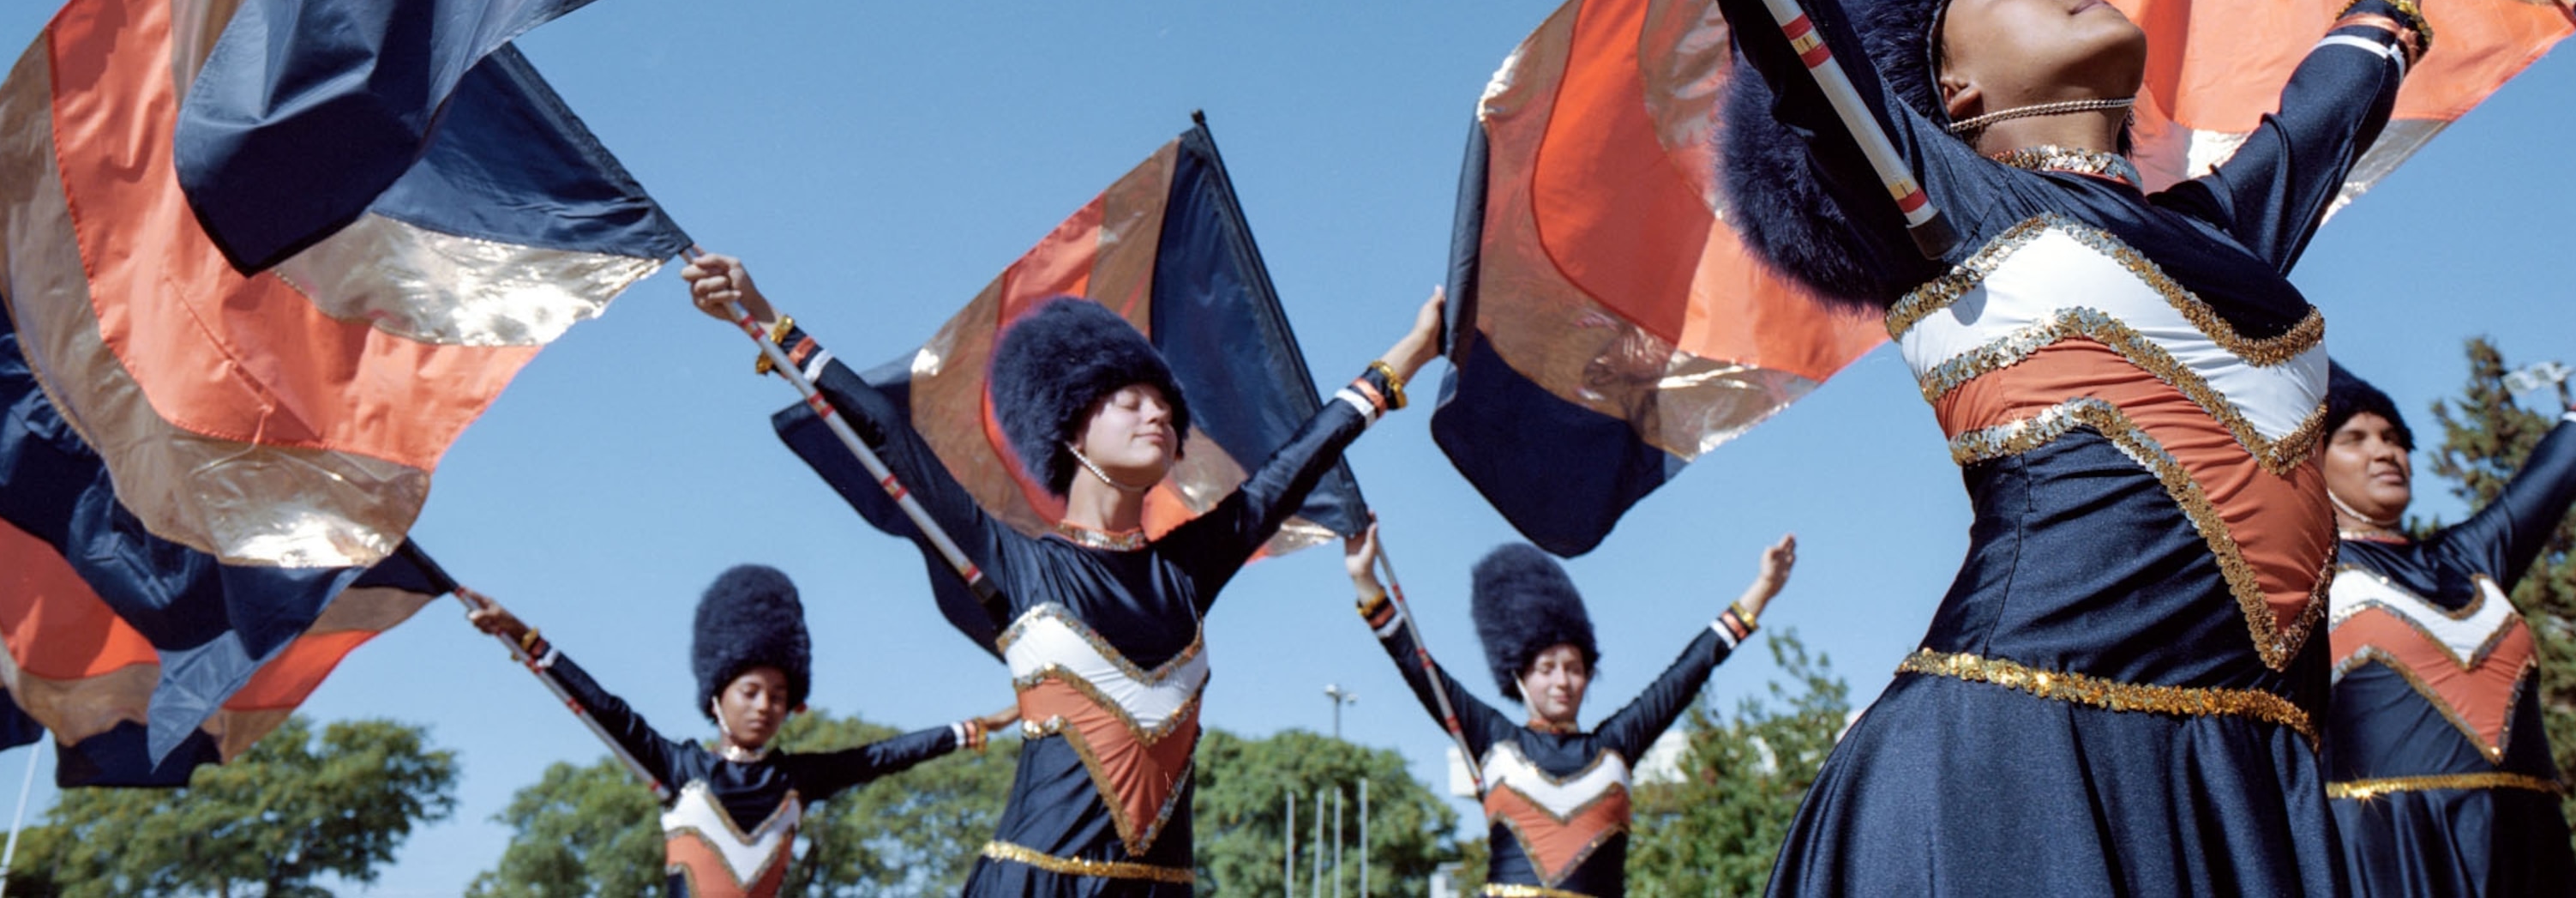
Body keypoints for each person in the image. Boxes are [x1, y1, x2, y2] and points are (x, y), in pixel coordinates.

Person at [1401, 0, 2441, 895]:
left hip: (2249, 792)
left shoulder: (2222, 233)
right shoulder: (1948, 211)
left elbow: (2323, 112)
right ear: (1951, 92)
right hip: (2008, 779)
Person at [682, 253, 1444, 894]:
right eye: (1130, 399)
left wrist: (1409, 353)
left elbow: (1300, 457)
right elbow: (884, 433)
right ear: (1074, 426)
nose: (1158, 416)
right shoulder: (1013, 558)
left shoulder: (1191, 567)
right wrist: (766, 317)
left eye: (1167, 409)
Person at [461, 563, 1012, 898]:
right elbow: (603, 708)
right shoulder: (679, 768)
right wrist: (524, 637)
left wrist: (976, 726)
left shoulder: (799, 779)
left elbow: (884, 756)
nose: (765, 707)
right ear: (717, 696)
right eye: (751, 692)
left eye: (778, 696)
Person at [1343, 519, 1792, 896]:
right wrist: (1366, 581)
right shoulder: (1492, 739)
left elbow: (1690, 670)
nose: (1562, 681)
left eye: (1574, 668)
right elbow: (1419, 668)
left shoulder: (1617, 744)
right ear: (1520, 676)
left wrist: (1763, 590)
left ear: (1589, 674)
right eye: (1547, 668)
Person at [2320, 362, 2576, 895]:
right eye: (2355, 439)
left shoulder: (2472, 557)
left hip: (2527, 848)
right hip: (2388, 854)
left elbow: (2562, 464)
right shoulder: (2303, 575)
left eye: (2394, 438)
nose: (2385, 452)